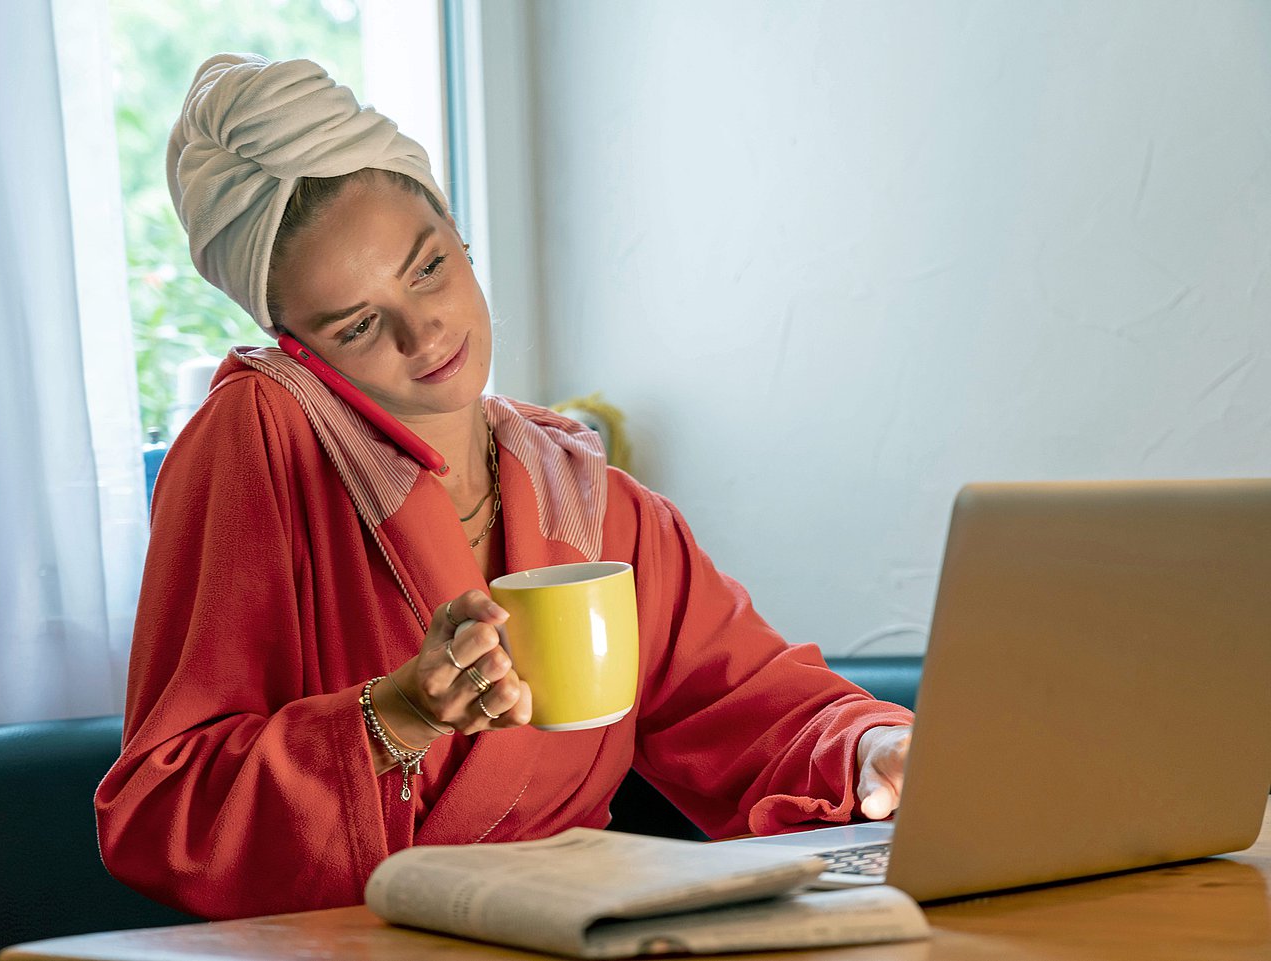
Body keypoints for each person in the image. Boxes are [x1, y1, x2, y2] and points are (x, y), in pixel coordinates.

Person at [95, 53, 914, 921]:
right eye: (360, 323)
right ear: (295, 348)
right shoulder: (257, 437)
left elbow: (749, 704)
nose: (426, 330)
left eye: (427, 267)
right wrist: (394, 714)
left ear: (456, 228)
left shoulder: (589, 500)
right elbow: (160, 810)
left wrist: (871, 748)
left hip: (576, 934)